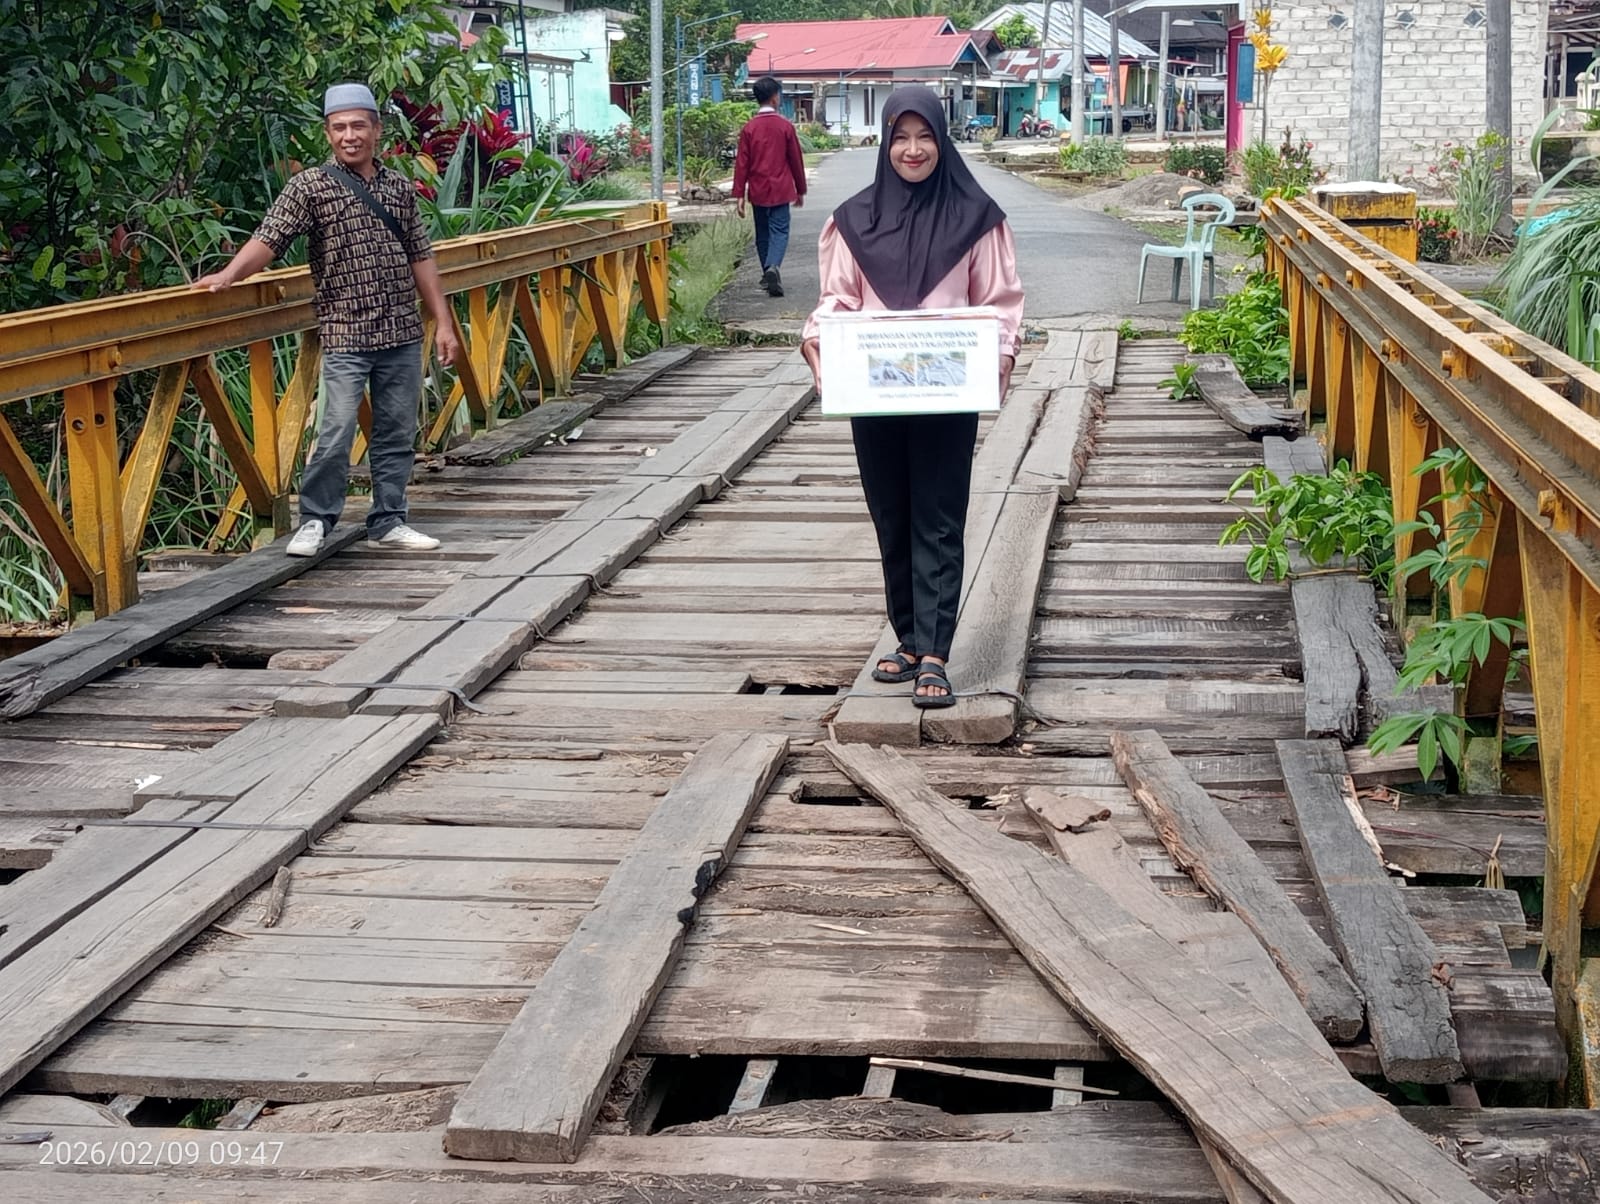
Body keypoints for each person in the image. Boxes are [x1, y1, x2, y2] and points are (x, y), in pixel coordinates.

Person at [801, 86, 1024, 708]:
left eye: (925, 136)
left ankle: (935, 651)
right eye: (900, 136)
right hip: (874, 390)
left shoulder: (977, 218)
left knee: (939, 513)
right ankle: (906, 636)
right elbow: (838, 299)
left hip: (946, 389)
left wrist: (1000, 354)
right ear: (885, 142)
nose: (913, 149)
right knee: (891, 512)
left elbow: (1001, 303)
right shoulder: (852, 219)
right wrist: (817, 339)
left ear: (942, 140)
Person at [195, 82, 459, 557]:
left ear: (377, 130)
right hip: (345, 330)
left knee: (396, 432)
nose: (349, 135)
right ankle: (316, 520)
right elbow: (271, 237)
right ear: (328, 132)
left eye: (359, 125)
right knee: (335, 433)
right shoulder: (311, 186)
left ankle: (389, 519)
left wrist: (443, 322)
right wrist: (230, 275)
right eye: (339, 127)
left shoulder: (398, 188)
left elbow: (421, 256)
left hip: (400, 329)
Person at [732, 76, 807, 298]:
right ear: (775, 98)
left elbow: (742, 163)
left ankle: (767, 273)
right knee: (780, 231)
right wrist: (800, 189)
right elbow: (795, 160)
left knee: (762, 233)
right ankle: (773, 266)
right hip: (781, 189)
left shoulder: (749, 128)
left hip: (757, 189)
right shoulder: (785, 126)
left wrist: (738, 194)